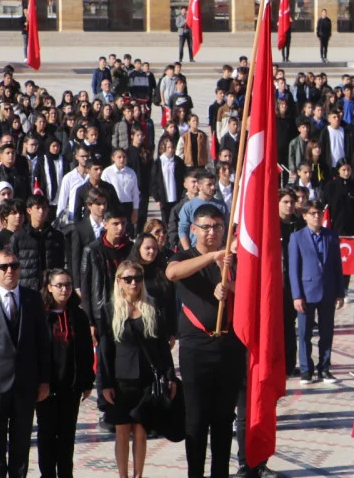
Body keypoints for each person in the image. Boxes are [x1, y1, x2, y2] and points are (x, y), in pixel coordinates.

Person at [165, 205, 244, 478]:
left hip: (229, 346)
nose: (212, 232)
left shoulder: (234, 260)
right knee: (196, 419)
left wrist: (229, 286)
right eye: (207, 227)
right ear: (194, 230)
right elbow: (172, 273)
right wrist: (211, 257)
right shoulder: (186, 256)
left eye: (218, 227)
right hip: (196, 348)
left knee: (223, 419)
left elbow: (252, 292)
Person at [97, 260, 178, 478]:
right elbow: (104, 351)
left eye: (138, 279)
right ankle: (123, 475)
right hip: (120, 380)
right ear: (119, 281)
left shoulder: (152, 307)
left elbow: (162, 346)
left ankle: (138, 475)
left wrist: (169, 376)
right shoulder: (109, 309)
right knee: (122, 432)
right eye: (128, 279)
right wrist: (105, 384)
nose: (134, 283)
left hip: (146, 380)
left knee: (141, 432)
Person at [0, 250, 51, 478]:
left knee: (21, 444)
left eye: (14, 265)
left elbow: (43, 342)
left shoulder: (32, 298)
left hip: (25, 382)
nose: (9, 270)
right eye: (3, 267)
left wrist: (43, 380)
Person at [36, 268, 95, 478]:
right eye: (59, 285)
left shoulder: (77, 314)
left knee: (67, 436)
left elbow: (87, 349)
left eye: (68, 285)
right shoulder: (41, 315)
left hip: (71, 385)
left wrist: (88, 381)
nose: (64, 289)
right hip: (47, 387)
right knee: (47, 435)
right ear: (50, 288)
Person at [289, 199, 345, 384]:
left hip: (327, 290)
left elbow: (337, 266)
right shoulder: (297, 237)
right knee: (305, 334)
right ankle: (306, 370)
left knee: (327, 332)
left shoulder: (331, 236)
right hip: (306, 291)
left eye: (319, 213)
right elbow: (293, 269)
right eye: (312, 213)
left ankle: (325, 368)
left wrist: (340, 292)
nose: (316, 216)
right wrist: (297, 295)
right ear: (304, 216)